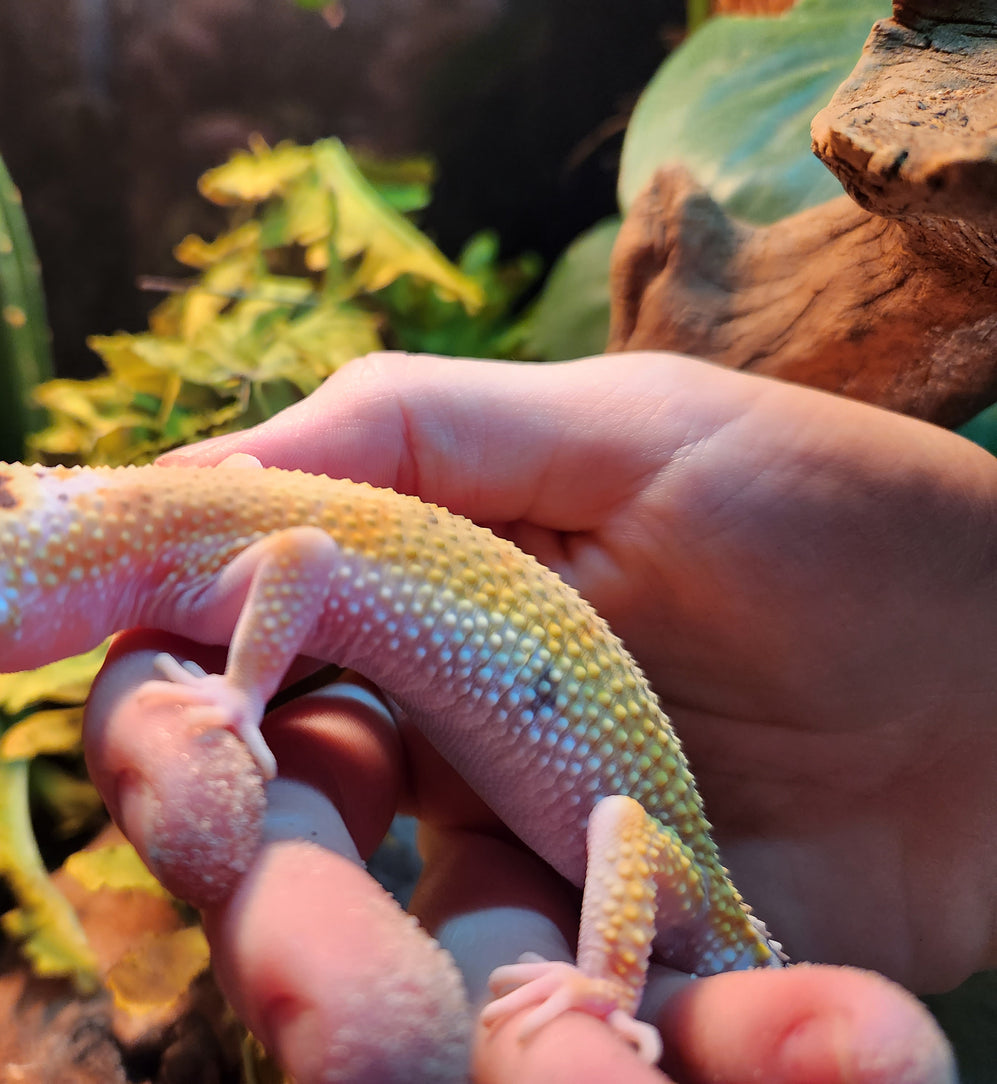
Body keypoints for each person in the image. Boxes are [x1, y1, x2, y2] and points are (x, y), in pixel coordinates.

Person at [81, 351, 989, 1083]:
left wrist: (599, 985)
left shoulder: (669, 872)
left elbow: (626, 833)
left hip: (658, 873)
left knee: (620, 827)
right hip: (611, 832)